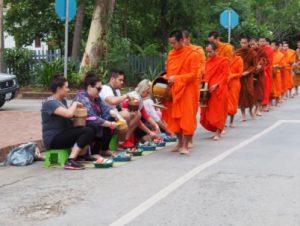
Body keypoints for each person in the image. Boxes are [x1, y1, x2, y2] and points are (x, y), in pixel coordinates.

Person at [41, 74, 96, 170]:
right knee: (87, 131)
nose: (69, 89)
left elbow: (69, 118)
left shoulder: (63, 101)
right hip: (53, 139)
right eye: (66, 87)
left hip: (63, 134)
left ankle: (81, 155)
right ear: (59, 89)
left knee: (91, 128)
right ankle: (71, 160)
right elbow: (68, 114)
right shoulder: (50, 103)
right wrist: (75, 104)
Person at [162, 30, 200, 154]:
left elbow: (194, 75)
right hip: (173, 89)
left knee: (186, 117)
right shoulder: (171, 54)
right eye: (171, 44)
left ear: (181, 40)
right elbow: (169, 72)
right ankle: (179, 142)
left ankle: (186, 145)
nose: (172, 46)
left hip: (187, 90)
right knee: (174, 118)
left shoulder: (192, 54)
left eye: (174, 43)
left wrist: (177, 78)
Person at [74, 72, 119, 158]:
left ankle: (102, 149)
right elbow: (91, 118)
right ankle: (91, 153)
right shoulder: (82, 98)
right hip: (83, 126)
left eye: (101, 89)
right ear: (89, 87)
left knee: (111, 119)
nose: (100, 91)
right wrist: (108, 123)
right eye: (98, 89)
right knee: (98, 125)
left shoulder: (96, 98)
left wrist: (118, 117)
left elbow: (107, 109)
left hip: (93, 123)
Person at [99, 69, 140, 148]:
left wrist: (127, 105)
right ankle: (121, 142)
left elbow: (119, 107)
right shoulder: (105, 88)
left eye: (123, 80)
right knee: (126, 115)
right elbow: (112, 101)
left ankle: (124, 139)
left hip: (115, 115)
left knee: (137, 113)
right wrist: (126, 96)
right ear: (112, 79)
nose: (122, 82)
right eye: (120, 80)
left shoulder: (117, 91)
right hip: (106, 116)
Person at [200, 42, 229, 140]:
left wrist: (217, 84)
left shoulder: (223, 61)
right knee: (208, 112)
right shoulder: (207, 62)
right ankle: (216, 129)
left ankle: (218, 132)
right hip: (208, 90)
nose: (208, 54)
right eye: (207, 52)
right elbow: (206, 76)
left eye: (210, 52)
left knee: (219, 112)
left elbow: (225, 76)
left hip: (219, 90)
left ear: (216, 51)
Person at [182, 30, 206, 147]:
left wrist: (192, 75)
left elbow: (201, 68)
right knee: (179, 114)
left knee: (190, 113)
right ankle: (181, 141)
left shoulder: (197, 51)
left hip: (192, 86)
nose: (181, 42)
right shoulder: (176, 53)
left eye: (183, 39)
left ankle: (190, 138)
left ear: (188, 39)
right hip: (179, 87)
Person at [236, 37, 257, 121]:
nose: (243, 44)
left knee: (250, 93)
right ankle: (243, 115)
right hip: (240, 76)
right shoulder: (237, 52)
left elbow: (254, 65)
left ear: (248, 43)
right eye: (242, 43)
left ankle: (251, 111)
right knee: (241, 95)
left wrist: (248, 72)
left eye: (245, 43)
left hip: (248, 77)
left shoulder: (252, 53)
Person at [250, 38, 270, 116]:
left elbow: (267, 62)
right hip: (251, 74)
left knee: (259, 92)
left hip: (260, 74)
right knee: (252, 93)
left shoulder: (262, 51)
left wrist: (261, 66)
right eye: (251, 44)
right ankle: (252, 109)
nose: (252, 46)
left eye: (254, 44)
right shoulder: (249, 52)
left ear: (257, 43)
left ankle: (258, 109)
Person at [227, 46, 243, 127]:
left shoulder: (239, 60)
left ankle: (231, 122)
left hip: (235, 83)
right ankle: (223, 122)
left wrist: (231, 75)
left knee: (233, 102)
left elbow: (240, 73)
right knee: (224, 102)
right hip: (225, 82)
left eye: (231, 51)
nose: (230, 53)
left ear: (234, 51)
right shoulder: (225, 59)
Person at [259, 37, 274, 112]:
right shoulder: (257, 49)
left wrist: (262, 68)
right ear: (258, 42)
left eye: (263, 41)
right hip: (258, 72)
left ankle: (265, 104)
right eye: (260, 41)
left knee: (266, 88)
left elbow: (269, 62)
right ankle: (259, 105)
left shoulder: (269, 50)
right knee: (259, 89)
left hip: (266, 72)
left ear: (265, 42)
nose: (262, 42)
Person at [271, 41, 285, 106]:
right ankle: (270, 102)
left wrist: (277, 66)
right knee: (271, 87)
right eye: (271, 46)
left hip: (277, 73)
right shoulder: (269, 54)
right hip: (270, 72)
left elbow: (283, 66)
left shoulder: (281, 55)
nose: (271, 47)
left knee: (277, 87)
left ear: (276, 46)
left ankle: (277, 100)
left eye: (272, 46)